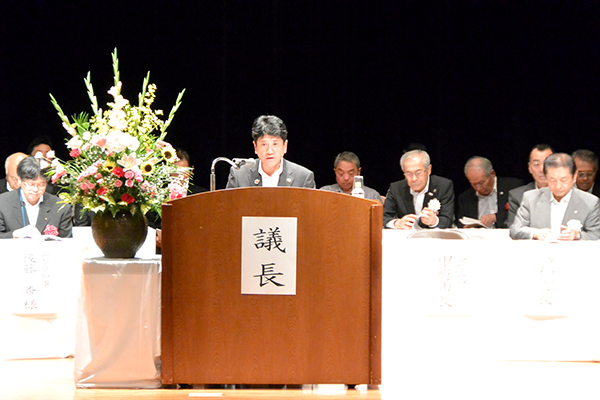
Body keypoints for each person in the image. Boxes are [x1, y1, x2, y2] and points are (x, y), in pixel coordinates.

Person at [510, 153, 600, 240]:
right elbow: (515, 230)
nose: (558, 186)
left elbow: (596, 234)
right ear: (546, 177)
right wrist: (535, 233)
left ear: (574, 176)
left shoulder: (590, 202)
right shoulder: (531, 198)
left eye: (563, 180)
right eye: (552, 180)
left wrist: (577, 235)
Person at [226, 115, 315, 189]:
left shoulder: (303, 177)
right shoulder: (239, 175)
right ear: (255, 147)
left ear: (285, 146)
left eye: (275, 144)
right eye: (264, 144)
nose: (269, 151)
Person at [0, 156, 73, 238]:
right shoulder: (2, 203)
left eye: (41, 185)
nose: (35, 189)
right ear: (20, 180)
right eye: (31, 184)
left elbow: (66, 242)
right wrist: (14, 234)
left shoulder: (61, 207)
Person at [383, 149, 455, 229]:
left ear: (429, 170)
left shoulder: (443, 186)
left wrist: (434, 221)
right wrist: (397, 223)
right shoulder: (396, 188)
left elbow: (448, 219)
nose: (414, 178)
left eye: (418, 172)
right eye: (409, 173)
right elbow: (383, 216)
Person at [456, 156, 523, 228]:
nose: (478, 188)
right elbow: (460, 222)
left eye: (481, 182)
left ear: (492, 174)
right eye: (473, 184)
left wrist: (496, 217)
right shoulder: (465, 198)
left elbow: (522, 214)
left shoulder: (513, 188)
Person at [506, 144, 554, 227]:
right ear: (529, 168)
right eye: (536, 164)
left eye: (546, 163)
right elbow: (513, 229)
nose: (542, 169)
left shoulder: (569, 193)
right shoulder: (517, 196)